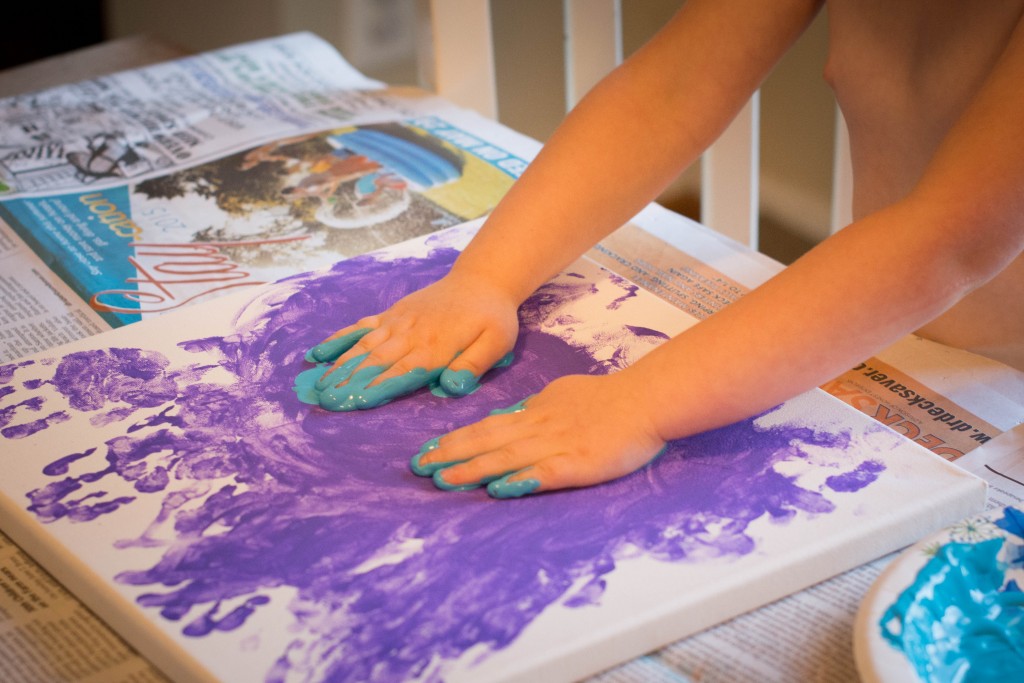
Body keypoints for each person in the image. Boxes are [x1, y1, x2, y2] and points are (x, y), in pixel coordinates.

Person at [305, 0, 1024, 498]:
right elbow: (672, 90)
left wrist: (639, 404)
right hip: (904, 346)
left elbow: (951, 236)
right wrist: (487, 278)